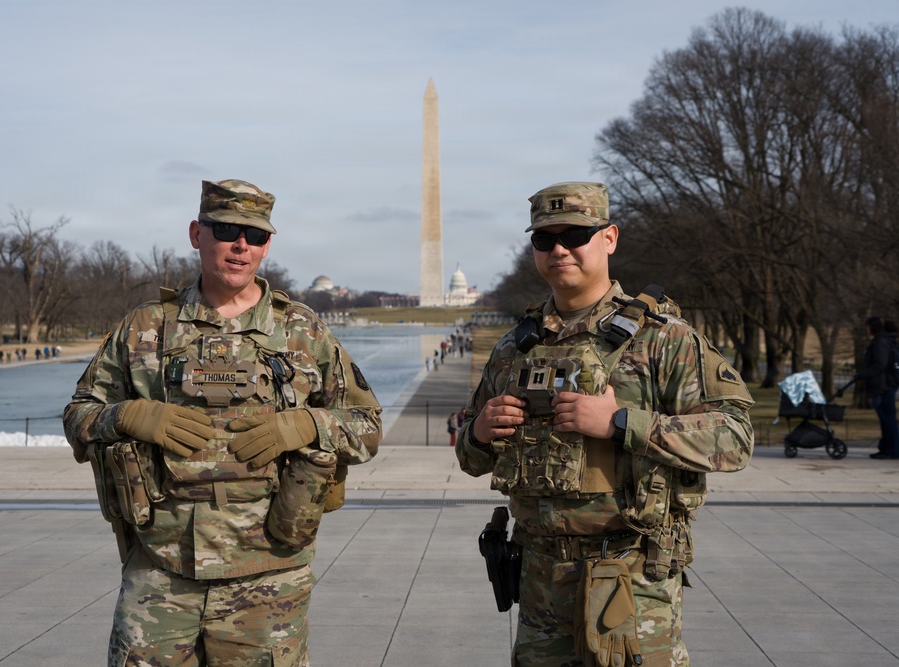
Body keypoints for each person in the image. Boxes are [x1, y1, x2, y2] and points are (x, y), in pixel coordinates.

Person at [63, 179, 382, 666]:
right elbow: (77, 416)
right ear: (197, 233)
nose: (241, 245)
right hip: (161, 567)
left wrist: (304, 426)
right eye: (227, 229)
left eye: (255, 236)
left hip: (268, 572)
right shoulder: (144, 327)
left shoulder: (304, 330)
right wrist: (126, 415)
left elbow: (367, 425)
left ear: (267, 245)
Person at [455, 181, 754, 666]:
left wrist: (620, 422)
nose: (559, 250)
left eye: (575, 235)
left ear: (609, 238)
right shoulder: (515, 348)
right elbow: (470, 459)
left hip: (631, 577)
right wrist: (481, 431)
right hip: (539, 579)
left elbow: (735, 438)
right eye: (543, 239)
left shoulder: (665, 340)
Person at [853, 316, 899, 459]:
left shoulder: (880, 343)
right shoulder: (885, 341)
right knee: (886, 419)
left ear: (873, 327)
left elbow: (880, 365)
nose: (866, 330)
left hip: (883, 386)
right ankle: (886, 448)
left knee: (888, 419)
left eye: (867, 326)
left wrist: (862, 375)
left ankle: (892, 449)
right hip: (884, 385)